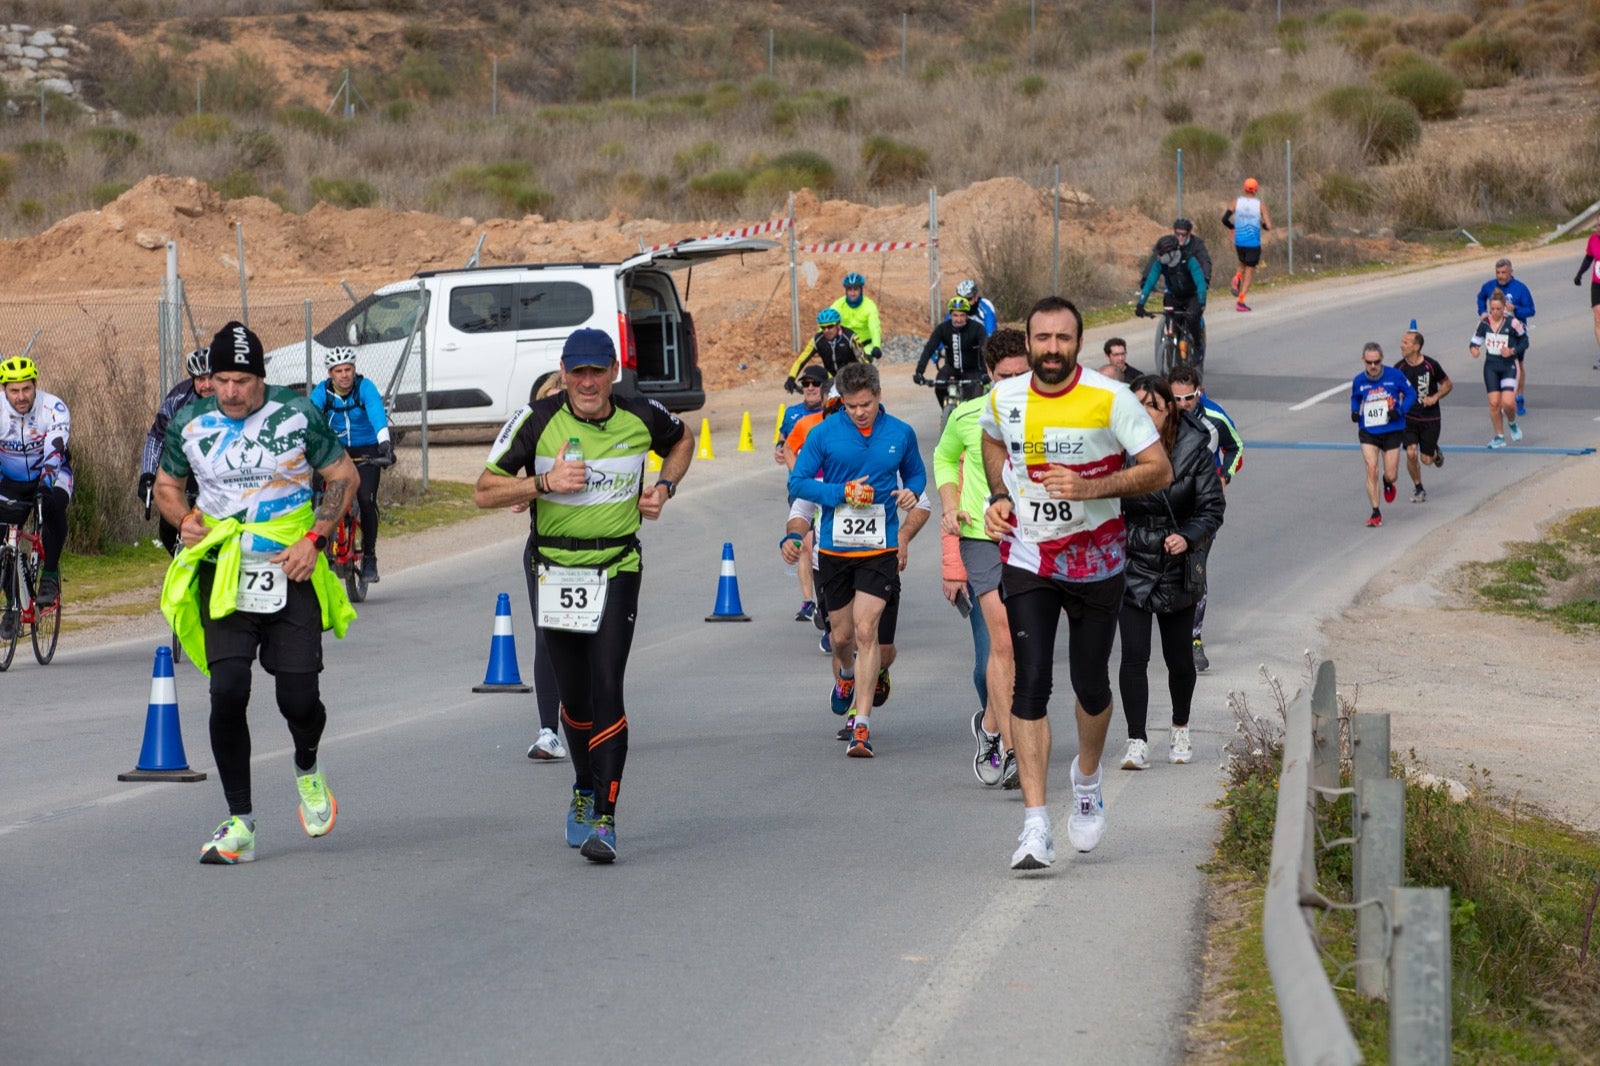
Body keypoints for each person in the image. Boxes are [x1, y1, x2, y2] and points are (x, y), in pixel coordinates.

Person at [475, 328, 693, 863]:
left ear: (614, 372)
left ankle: (606, 820)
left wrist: (664, 486)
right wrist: (542, 484)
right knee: (573, 700)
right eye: (579, 372)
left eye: (598, 371)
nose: (588, 382)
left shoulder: (641, 415)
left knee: (607, 687)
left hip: (617, 565)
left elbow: (683, 439)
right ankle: (582, 785)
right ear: (565, 372)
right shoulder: (537, 419)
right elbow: (483, 490)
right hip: (554, 571)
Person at [155, 321, 359, 865]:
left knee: (298, 698)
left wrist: (314, 540)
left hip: (288, 568)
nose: (230, 391)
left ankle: (308, 767)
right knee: (228, 689)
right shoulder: (189, 423)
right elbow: (167, 487)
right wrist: (183, 521)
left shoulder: (297, 414)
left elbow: (342, 475)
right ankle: (240, 821)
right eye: (221, 379)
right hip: (224, 572)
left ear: (260, 379)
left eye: (242, 380)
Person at [980, 295, 1172, 870]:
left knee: (1090, 684)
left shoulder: (1109, 398)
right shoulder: (1005, 395)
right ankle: (1035, 826)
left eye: (1063, 339)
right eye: (1043, 339)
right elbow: (991, 440)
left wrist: (1090, 489)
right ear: (1030, 343)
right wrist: (997, 495)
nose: (1052, 349)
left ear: (1078, 344)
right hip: (1030, 557)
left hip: (1097, 562)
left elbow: (1159, 468)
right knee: (1030, 684)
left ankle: (1086, 780)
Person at [789, 360, 926, 758]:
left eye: (865, 404)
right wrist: (840, 493)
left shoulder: (900, 433)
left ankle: (861, 726)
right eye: (851, 406)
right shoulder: (824, 433)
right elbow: (797, 482)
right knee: (842, 637)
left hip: (879, 549)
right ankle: (845, 674)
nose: (859, 412)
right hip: (834, 550)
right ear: (842, 403)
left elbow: (916, 475)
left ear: (878, 396)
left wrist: (910, 494)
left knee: (868, 632)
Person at [934, 328, 1028, 789]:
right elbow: (942, 459)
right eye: (1004, 375)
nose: (1013, 382)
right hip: (980, 537)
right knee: (1004, 644)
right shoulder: (968, 415)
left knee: (1027, 649)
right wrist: (951, 507)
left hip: (1033, 538)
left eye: (1022, 373)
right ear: (989, 374)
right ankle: (1012, 753)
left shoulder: (1047, 416)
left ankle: (989, 726)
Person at [1117, 374, 1224, 771]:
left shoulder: (1195, 447)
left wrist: (1187, 536)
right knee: (1133, 656)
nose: (1144, 413)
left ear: (1170, 411)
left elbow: (1212, 508)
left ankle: (1180, 725)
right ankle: (1136, 740)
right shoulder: (1118, 446)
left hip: (1177, 563)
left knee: (1179, 660)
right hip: (1132, 561)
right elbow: (1106, 502)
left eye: (1152, 406)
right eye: (1137, 404)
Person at [1168, 365, 1242, 672]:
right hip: (1166, 504)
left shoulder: (1215, 417)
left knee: (1195, 569)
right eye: (1177, 398)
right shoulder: (1159, 415)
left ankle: (1194, 638)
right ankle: (1169, 626)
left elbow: (1236, 448)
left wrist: (1224, 475)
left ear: (1199, 393)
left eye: (1188, 398)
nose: (1183, 404)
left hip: (1202, 507)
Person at [517, 370, 569, 762]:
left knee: (591, 642)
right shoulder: (532, 439)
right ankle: (548, 730)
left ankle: (593, 718)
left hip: (599, 557)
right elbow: (508, 491)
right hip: (546, 554)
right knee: (547, 637)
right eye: (547, 398)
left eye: (560, 396)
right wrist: (529, 489)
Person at [309, 347, 395, 583]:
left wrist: (384, 444)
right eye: (339, 371)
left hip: (367, 450)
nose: (344, 375)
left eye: (348, 369)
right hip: (334, 451)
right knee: (315, 494)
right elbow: (309, 416)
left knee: (366, 501)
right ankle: (316, 544)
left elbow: (377, 413)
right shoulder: (322, 392)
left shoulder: (364, 388)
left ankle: (369, 557)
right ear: (330, 373)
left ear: (354, 370)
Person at [0, 356, 72, 638]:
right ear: (4, 389)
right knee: (4, 538)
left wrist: (45, 484)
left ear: (35, 386)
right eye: (14, 390)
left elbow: (55, 451)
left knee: (52, 505)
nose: (21, 396)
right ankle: (11, 607)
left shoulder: (53, 408)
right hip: (12, 479)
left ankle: (50, 575)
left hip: (53, 472)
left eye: (26, 389)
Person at [139, 347, 215, 555]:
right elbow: (156, 437)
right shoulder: (178, 398)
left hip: (219, 469)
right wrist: (147, 473)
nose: (207, 385)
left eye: (211, 377)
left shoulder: (231, 398)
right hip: (185, 464)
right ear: (192, 380)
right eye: (200, 379)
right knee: (166, 529)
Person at [777, 364, 829, 623]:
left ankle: (827, 601)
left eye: (815, 384)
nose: (809, 388)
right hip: (804, 489)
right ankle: (809, 601)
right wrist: (800, 474)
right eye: (805, 384)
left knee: (822, 544)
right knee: (807, 545)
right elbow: (785, 446)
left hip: (829, 488)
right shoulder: (796, 417)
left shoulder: (838, 415)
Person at [1350, 341, 1417, 528]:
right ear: (1363, 360)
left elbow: (1411, 394)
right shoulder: (1358, 380)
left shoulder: (1395, 375)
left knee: (1391, 474)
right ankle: (1375, 512)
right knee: (1371, 468)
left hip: (1392, 429)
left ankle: (1388, 482)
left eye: (1376, 362)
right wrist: (1355, 411)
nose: (1373, 366)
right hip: (1369, 430)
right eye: (1369, 362)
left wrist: (1401, 410)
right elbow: (1355, 397)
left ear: (1382, 359)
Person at [1394, 327, 1451, 503]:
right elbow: (1393, 392)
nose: (1401, 345)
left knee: (1426, 459)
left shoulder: (1431, 365)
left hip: (1430, 418)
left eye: (1405, 342)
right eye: (1402, 341)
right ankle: (1419, 488)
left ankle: (1435, 453)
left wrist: (1435, 397)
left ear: (1416, 346)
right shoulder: (1399, 368)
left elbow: (1447, 384)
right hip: (1409, 418)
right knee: (1411, 453)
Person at [1136, 234, 1207, 369]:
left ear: (1171, 253)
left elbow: (1200, 282)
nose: (1158, 257)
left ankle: (1198, 346)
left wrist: (1201, 302)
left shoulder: (1189, 260)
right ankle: (1171, 344)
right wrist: (1141, 304)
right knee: (1171, 317)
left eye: (1161, 254)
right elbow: (1150, 282)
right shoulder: (1160, 264)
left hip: (1192, 296)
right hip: (1174, 296)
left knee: (1192, 318)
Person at [1475, 258, 1535, 415]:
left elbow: (1531, 310)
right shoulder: (1489, 286)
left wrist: (1515, 308)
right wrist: (1482, 312)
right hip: (1495, 332)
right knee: (1496, 361)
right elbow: (1481, 297)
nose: (1500, 276)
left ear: (1511, 272)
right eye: (1498, 273)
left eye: (1504, 273)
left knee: (1518, 364)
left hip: (1515, 333)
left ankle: (1519, 396)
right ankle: (1502, 396)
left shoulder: (1520, 288)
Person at [1468, 289, 1526, 449]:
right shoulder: (1484, 323)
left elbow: (1524, 341)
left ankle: (1512, 423)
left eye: (1498, 309)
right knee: (1494, 403)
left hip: (1508, 366)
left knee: (1507, 403)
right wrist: (1474, 349)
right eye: (1492, 309)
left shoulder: (1512, 322)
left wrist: (1512, 351)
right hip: (1491, 367)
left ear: (1504, 308)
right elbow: (1474, 341)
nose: (1494, 312)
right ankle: (1499, 436)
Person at [914, 296, 990, 409]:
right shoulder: (943, 329)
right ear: (950, 315)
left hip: (973, 370)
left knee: (974, 402)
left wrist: (986, 373)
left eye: (962, 315)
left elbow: (985, 349)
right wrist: (919, 372)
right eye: (955, 315)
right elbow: (929, 348)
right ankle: (947, 414)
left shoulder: (977, 328)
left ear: (967, 315)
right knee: (939, 387)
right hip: (951, 368)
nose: (958, 319)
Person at [1223, 177, 1272, 312]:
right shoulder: (1260, 204)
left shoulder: (1236, 202)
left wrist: (1233, 227)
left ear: (1245, 188)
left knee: (1241, 264)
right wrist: (1262, 224)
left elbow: (1224, 219)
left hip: (1239, 241)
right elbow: (1268, 226)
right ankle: (1241, 301)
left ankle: (1237, 277)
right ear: (1256, 189)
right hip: (1253, 242)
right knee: (1249, 271)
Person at [785, 308, 866, 389]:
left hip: (852, 378)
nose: (826, 330)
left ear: (838, 325)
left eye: (830, 326)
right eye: (823, 327)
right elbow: (800, 361)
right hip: (831, 379)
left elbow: (864, 361)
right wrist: (791, 377)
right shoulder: (817, 340)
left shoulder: (851, 338)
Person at [829, 272, 883, 361]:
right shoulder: (838, 304)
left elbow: (875, 328)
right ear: (846, 291)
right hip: (846, 344)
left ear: (861, 290)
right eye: (849, 290)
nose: (852, 293)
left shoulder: (869, 305)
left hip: (865, 345)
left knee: (864, 369)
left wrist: (877, 346)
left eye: (856, 289)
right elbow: (827, 322)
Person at [1575, 226, 1600, 369]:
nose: (1599, 228)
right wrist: (1579, 274)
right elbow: (1589, 258)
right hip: (1597, 284)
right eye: (1598, 225)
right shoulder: (1593, 239)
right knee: (1598, 317)